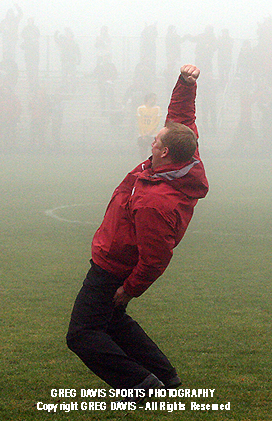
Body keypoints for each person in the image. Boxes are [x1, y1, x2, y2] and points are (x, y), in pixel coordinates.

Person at [66, 65, 209, 401]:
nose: (152, 137)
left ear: (164, 153)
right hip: (113, 261)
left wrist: (129, 289)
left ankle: (143, 388)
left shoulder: (154, 201)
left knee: (82, 334)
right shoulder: (184, 154)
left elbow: (156, 257)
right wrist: (185, 84)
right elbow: (181, 118)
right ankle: (165, 377)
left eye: (156, 139)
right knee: (113, 322)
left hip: (112, 267)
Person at [137, 93, 162, 160]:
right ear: (147, 99)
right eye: (152, 99)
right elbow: (140, 122)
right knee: (143, 152)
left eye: (155, 99)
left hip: (153, 134)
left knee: (154, 152)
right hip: (142, 134)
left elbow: (156, 122)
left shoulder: (157, 109)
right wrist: (143, 134)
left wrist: (150, 133)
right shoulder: (140, 109)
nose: (154, 101)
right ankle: (142, 165)